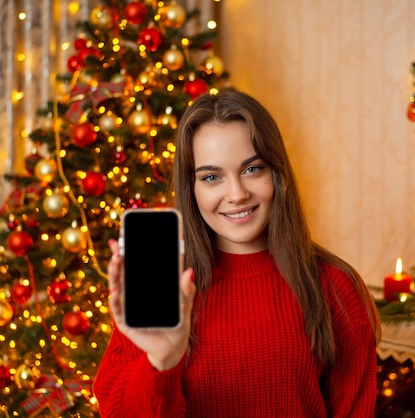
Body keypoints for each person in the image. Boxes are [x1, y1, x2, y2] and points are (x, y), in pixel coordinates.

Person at [93, 88, 381, 417]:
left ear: (276, 174)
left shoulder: (335, 287)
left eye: (251, 169)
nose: (236, 194)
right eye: (212, 177)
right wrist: (162, 361)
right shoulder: (160, 290)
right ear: (192, 189)